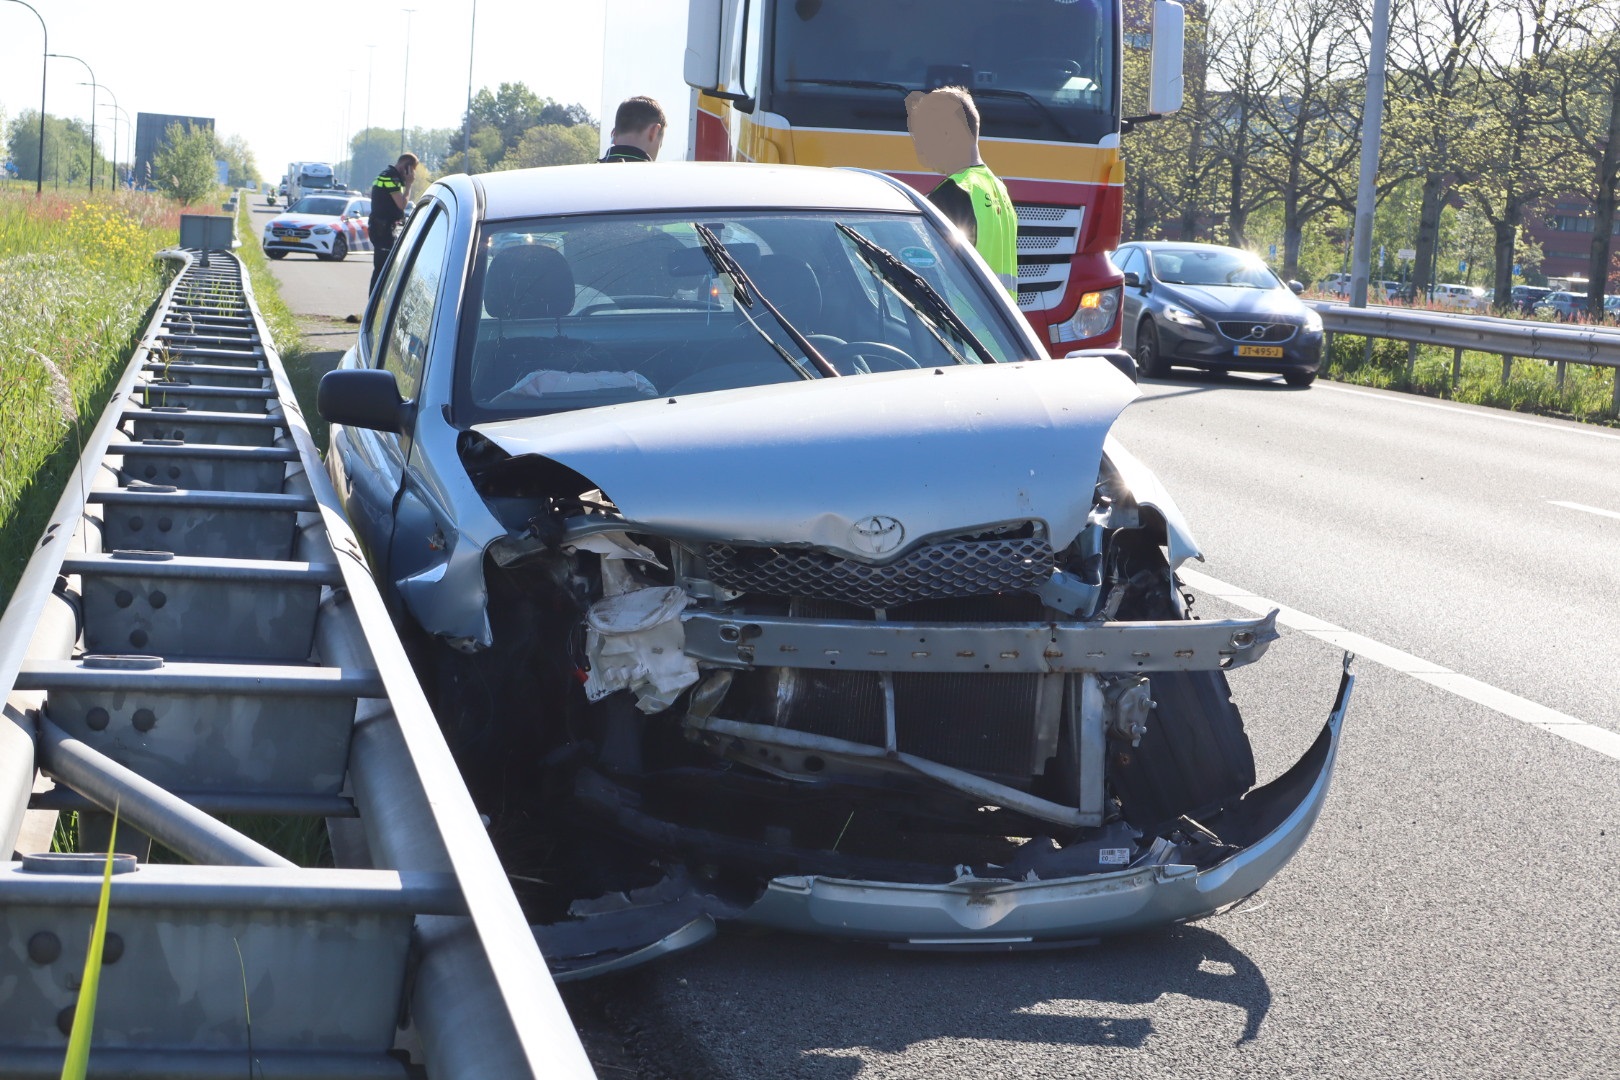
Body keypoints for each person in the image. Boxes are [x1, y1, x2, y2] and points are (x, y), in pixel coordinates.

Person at [905, 87, 1017, 297]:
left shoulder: (953, 192)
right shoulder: (999, 189)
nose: (921, 149)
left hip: (960, 316)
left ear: (947, 134)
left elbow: (926, 269)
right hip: (998, 317)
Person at [369, 152, 419, 292]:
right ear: (406, 167)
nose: (412, 174)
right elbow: (402, 204)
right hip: (384, 229)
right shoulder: (391, 178)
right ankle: (374, 301)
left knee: (381, 269)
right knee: (382, 270)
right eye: (412, 170)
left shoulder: (385, 174)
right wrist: (409, 184)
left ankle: (374, 300)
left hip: (379, 227)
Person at [599, 96, 666, 163]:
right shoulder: (659, 170)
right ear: (654, 132)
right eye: (660, 145)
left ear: (613, 134)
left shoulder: (594, 167)